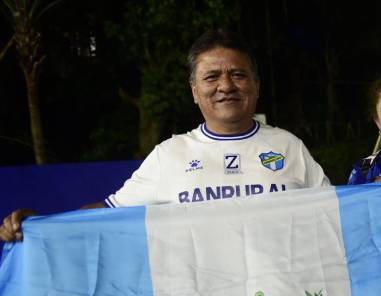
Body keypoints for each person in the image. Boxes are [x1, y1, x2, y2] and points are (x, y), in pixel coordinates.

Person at [1, 29, 330, 243]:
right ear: (195, 91)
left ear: (256, 85)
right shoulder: (170, 154)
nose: (226, 86)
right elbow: (108, 211)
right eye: (212, 77)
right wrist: (41, 224)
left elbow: (335, 215)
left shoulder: (288, 146)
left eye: (238, 75)